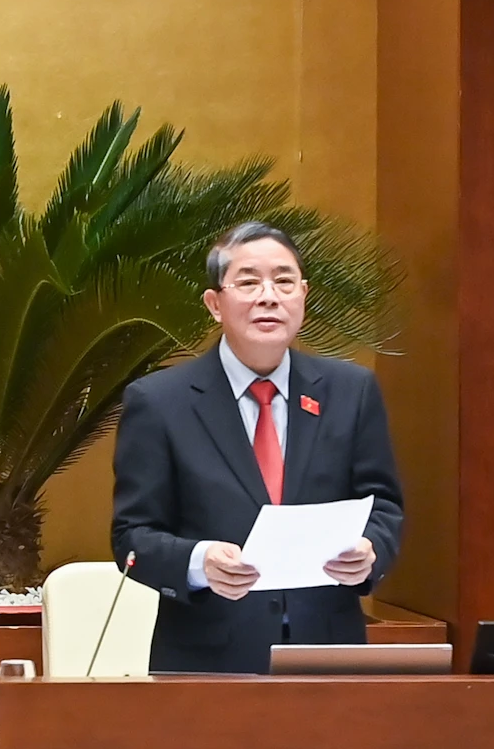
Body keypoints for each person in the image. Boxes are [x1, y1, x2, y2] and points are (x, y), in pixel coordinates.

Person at [112, 221, 404, 672]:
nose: (269, 296)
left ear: (303, 295)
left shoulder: (352, 391)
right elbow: (131, 537)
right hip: (207, 659)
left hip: (327, 650)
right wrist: (198, 561)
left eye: (284, 281)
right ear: (215, 303)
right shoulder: (159, 402)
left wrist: (371, 551)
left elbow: (383, 504)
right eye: (248, 282)